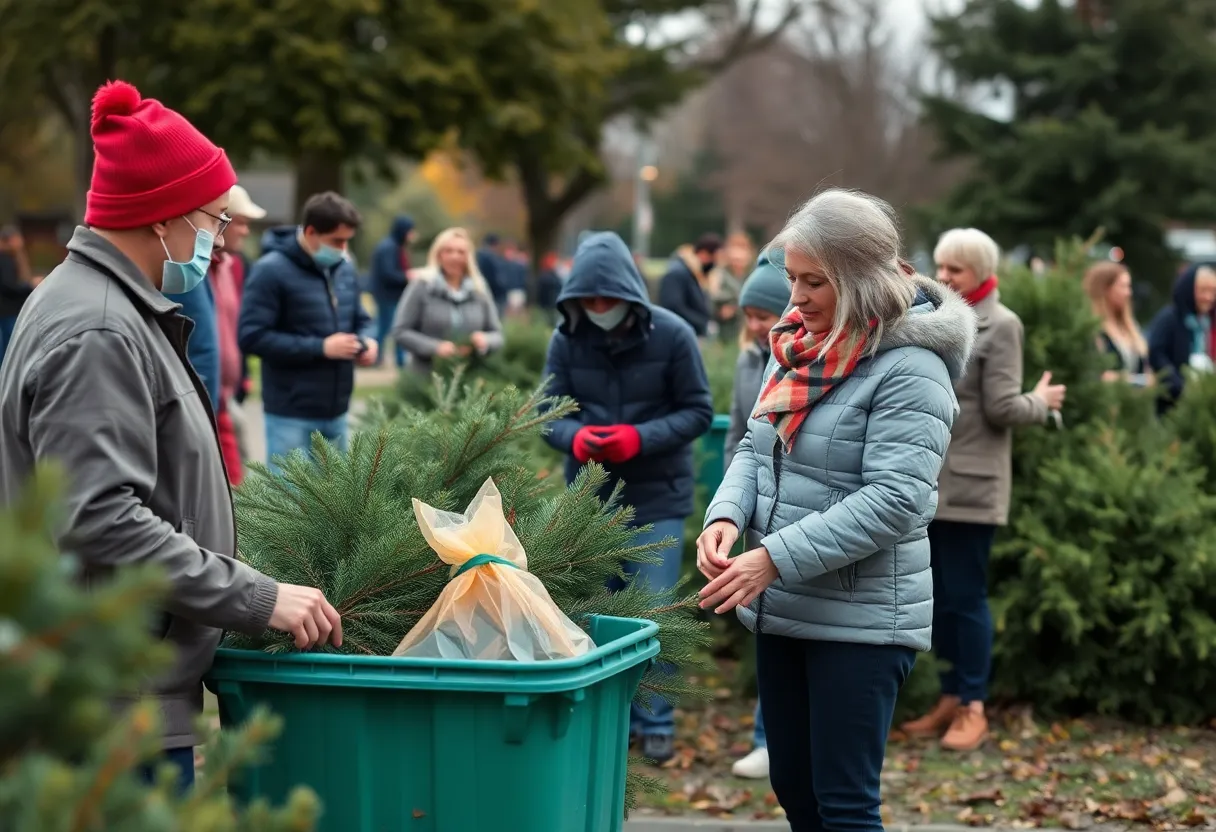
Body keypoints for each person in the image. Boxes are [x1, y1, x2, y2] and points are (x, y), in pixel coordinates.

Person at [0, 80, 342, 790]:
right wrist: (258, 598)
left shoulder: (99, 305)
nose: (218, 241)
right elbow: (100, 518)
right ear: (162, 218)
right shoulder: (97, 328)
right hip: (111, 705)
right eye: (213, 220)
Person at [696, 189, 977, 830]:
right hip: (785, 607)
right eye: (792, 277)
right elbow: (753, 442)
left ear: (858, 279)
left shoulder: (912, 368)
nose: (794, 297)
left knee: (845, 806)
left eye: (813, 281)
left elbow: (897, 498)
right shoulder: (796, 345)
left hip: (863, 620)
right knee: (795, 789)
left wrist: (771, 557)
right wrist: (725, 516)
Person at [543, 231, 713, 763]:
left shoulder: (675, 335)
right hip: (590, 495)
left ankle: (655, 719)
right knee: (594, 610)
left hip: (657, 496)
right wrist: (574, 438)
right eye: (588, 302)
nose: (599, 310)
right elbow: (547, 411)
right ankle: (605, 717)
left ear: (629, 296)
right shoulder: (567, 338)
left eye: (608, 301)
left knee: (651, 611)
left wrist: (640, 438)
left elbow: (698, 411)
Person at [900, 227, 1065, 752]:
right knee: (942, 598)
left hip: (972, 487)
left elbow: (1001, 408)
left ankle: (973, 705)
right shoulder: (942, 315)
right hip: (931, 480)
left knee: (966, 598)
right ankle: (950, 697)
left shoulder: (1003, 324)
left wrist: (1041, 401)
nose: (943, 278)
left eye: (955, 271)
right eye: (940, 268)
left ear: (982, 273)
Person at [238, 191, 378, 470]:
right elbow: (251, 336)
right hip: (290, 412)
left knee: (333, 503)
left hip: (337, 409)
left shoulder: (344, 268)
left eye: (347, 241)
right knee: (290, 504)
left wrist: (368, 340)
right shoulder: (270, 271)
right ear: (311, 232)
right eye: (336, 241)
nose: (342, 248)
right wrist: (321, 348)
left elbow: (361, 318)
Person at [722, 251, 790, 781]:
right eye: (747, 315)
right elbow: (741, 438)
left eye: (762, 314)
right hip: (756, 514)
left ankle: (771, 738)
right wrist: (728, 507)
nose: (754, 324)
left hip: (795, 522)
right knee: (766, 625)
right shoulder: (751, 361)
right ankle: (767, 736)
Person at [392, 226, 503, 377]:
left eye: (461, 252)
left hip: (470, 378)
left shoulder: (479, 289)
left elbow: (497, 335)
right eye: (448, 251)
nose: (455, 256)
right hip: (426, 378)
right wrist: (435, 348)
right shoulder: (421, 285)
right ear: (438, 255)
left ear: (468, 257)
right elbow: (400, 331)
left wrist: (485, 340)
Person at [210, 184, 265, 484]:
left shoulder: (234, 265)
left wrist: (242, 374)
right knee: (233, 481)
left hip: (230, 394)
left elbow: (233, 329)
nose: (244, 231)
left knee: (240, 475)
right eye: (240, 222)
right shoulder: (201, 270)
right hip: (214, 398)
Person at [1148, 262, 1216, 413]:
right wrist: (1177, 384)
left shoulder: (1208, 321)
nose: (1208, 297)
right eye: (1203, 290)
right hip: (1173, 403)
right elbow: (1157, 353)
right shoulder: (1169, 318)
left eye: (1213, 291)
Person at [1082, 260, 1152, 387]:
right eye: (1123, 286)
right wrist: (1133, 381)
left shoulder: (1130, 327)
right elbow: (1097, 377)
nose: (1128, 293)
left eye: (1129, 286)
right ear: (1105, 289)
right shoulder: (1093, 330)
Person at [369, 214, 415, 368]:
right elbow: (388, 273)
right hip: (387, 296)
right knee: (389, 328)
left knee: (388, 327)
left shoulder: (394, 246)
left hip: (393, 295)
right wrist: (407, 276)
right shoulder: (388, 248)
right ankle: (378, 358)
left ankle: (383, 358)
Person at [659, 233, 721, 337]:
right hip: (676, 335)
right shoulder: (678, 273)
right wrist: (702, 324)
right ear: (704, 254)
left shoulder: (696, 274)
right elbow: (673, 306)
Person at [0, 226, 40, 365]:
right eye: (17, 238)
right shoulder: (4, 259)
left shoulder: (12, 257)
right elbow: (8, 285)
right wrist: (29, 286)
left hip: (10, 310)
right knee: (9, 350)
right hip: (8, 311)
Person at [708, 231, 754, 343]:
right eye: (735, 260)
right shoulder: (719, 274)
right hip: (725, 332)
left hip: (750, 330)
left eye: (741, 260)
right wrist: (720, 311)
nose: (738, 264)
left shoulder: (754, 274)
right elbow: (711, 299)